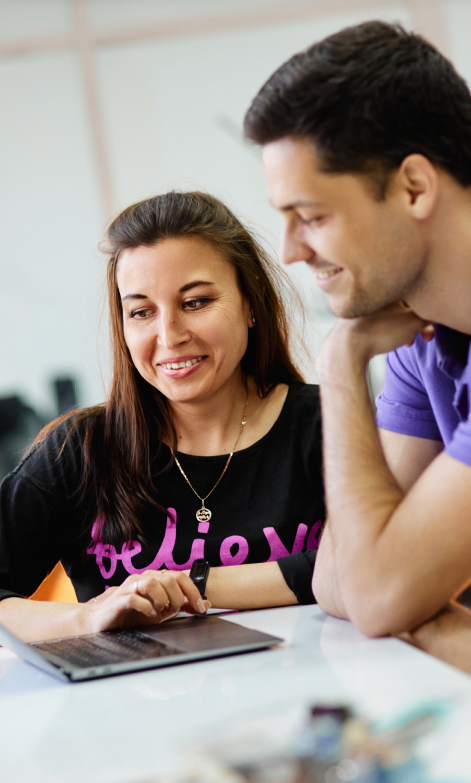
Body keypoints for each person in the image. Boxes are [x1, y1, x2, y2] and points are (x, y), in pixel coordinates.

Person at [0, 191, 324, 642]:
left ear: (251, 302)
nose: (168, 336)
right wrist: (90, 616)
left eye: (195, 302)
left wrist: (192, 583)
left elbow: (374, 565)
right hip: (135, 709)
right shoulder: (82, 451)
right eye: (141, 312)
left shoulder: (327, 425)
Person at [243, 20, 471, 654]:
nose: (288, 250)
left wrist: (339, 363)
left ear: (413, 186)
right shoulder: (419, 336)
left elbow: (373, 596)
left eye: (312, 216)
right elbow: (336, 577)